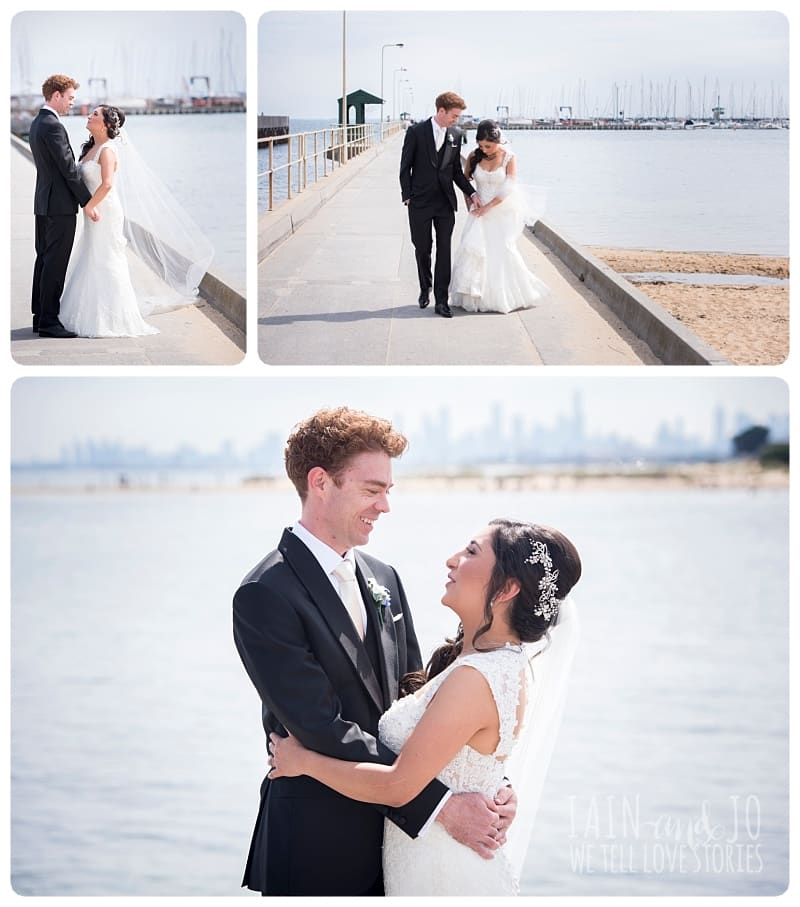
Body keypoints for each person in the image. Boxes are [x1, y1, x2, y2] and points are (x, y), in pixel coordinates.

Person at [233, 408, 517, 896]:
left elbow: (420, 699)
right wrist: (440, 804)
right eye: (371, 490)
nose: (385, 506)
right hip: (319, 843)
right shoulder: (265, 593)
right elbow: (321, 729)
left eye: (388, 490)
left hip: (406, 853)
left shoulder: (383, 577)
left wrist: (490, 783)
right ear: (320, 482)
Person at [269, 519, 582, 895]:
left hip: (444, 876)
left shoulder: (476, 678)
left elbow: (397, 785)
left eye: (470, 552)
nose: (452, 560)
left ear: (507, 589)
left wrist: (304, 762)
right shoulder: (498, 664)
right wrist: (496, 788)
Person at [59, 105, 214, 338]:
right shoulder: (90, 148)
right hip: (93, 212)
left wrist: (90, 206)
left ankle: (112, 316)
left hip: (104, 212)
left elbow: (108, 183)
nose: (89, 116)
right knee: (91, 256)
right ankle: (85, 309)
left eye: (95, 114)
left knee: (107, 259)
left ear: (107, 124)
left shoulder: (108, 150)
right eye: (91, 113)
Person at [450, 120, 550, 314]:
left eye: (488, 145)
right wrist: (470, 204)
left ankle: (506, 295)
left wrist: (488, 207)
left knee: (503, 249)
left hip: (501, 210)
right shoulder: (473, 156)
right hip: (478, 212)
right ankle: (475, 295)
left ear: (498, 140)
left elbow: (508, 188)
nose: (484, 149)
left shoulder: (509, 157)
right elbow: (465, 183)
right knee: (476, 252)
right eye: (480, 145)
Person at [399, 91, 482, 318]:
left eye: (458, 117)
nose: (456, 121)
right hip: (419, 202)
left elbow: (456, 171)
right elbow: (405, 166)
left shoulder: (455, 134)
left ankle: (441, 301)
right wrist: (407, 195)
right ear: (441, 111)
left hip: (445, 203)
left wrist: (472, 193)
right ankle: (425, 287)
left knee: (444, 250)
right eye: (454, 116)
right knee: (423, 248)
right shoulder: (416, 132)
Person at [28, 74, 93, 338]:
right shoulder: (53, 126)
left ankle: (40, 316)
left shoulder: (37, 123)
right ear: (56, 95)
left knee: (43, 260)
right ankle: (49, 322)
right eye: (69, 98)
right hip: (59, 207)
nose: (71, 104)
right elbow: (68, 170)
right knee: (55, 262)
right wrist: (88, 202)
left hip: (44, 203)